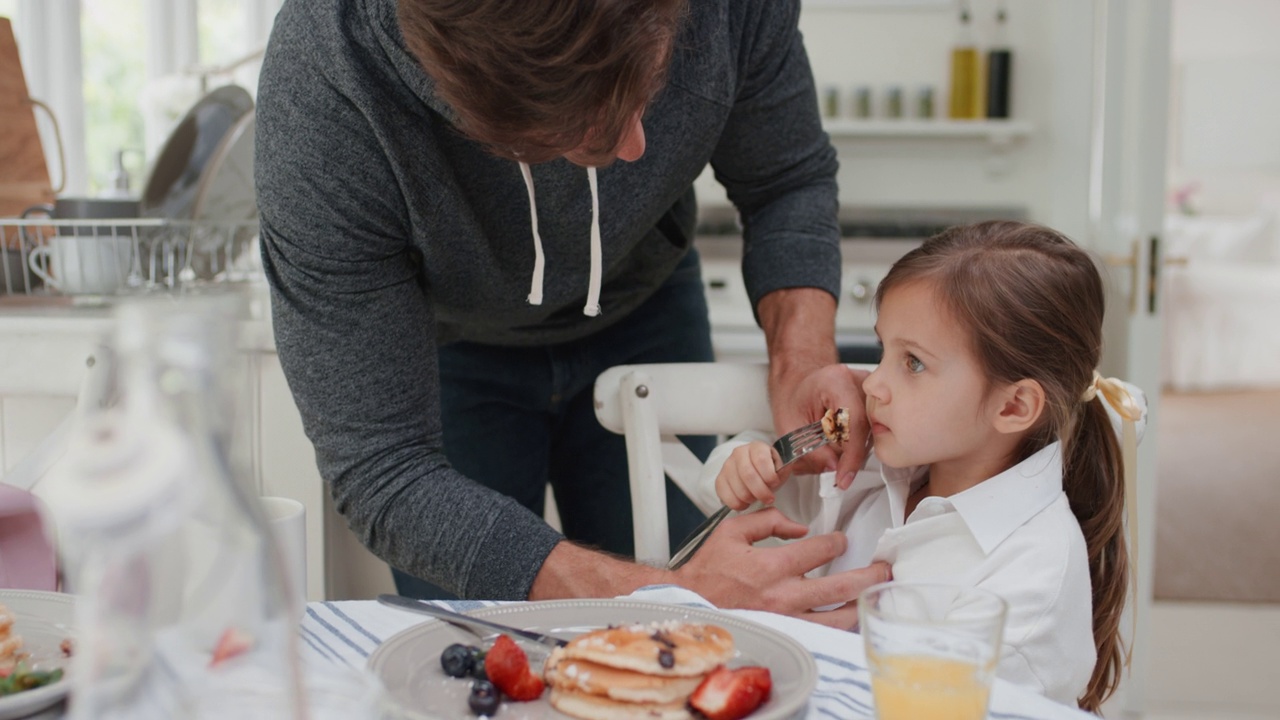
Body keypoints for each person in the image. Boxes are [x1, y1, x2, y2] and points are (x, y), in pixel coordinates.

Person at [253, 0, 884, 622]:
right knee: (485, 650)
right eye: (591, 127)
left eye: (651, 88)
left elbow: (785, 179)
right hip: (446, 348)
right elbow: (387, 473)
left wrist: (801, 363)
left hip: (646, 300)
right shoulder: (324, 87)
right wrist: (673, 601)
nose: (638, 145)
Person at [703, 221, 1145, 711]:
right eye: (882, 350)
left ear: (1014, 407)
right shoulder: (875, 463)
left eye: (912, 363)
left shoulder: (1030, 578)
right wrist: (743, 464)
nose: (871, 384)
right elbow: (748, 494)